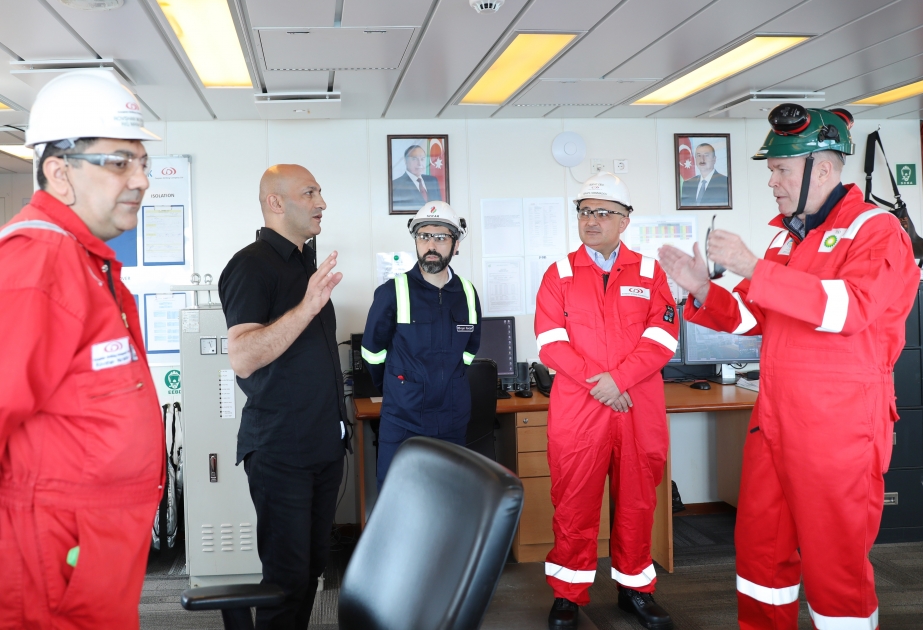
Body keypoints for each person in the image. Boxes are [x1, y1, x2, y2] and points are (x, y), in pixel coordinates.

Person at [658, 104, 919, 630]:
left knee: (834, 568)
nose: (772, 182)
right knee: (760, 556)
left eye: (782, 170)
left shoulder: (877, 230)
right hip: (774, 421)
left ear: (823, 169)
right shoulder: (786, 236)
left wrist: (753, 267)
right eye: (772, 171)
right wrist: (703, 289)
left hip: (838, 427)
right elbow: (757, 317)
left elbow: (850, 309)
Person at [0, 70, 164, 628]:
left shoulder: (85, 262)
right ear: (58, 173)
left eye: (144, 162)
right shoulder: (36, 267)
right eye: (120, 162)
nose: (141, 180)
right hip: (49, 568)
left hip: (89, 559)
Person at [534, 173, 679, 630]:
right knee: (574, 502)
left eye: (602, 212)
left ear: (625, 220)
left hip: (637, 407)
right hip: (581, 409)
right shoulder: (558, 274)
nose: (591, 220)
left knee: (637, 503)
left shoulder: (652, 273)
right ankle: (567, 595)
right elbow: (549, 342)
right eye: (584, 211)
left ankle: (635, 591)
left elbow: (662, 338)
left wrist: (618, 381)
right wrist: (601, 385)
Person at [219, 164, 349, 630]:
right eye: (309, 192)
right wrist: (307, 307)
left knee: (310, 572)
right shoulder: (251, 265)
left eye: (320, 191)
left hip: (321, 447)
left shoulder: (302, 263)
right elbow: (243, 356)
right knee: (286, 578)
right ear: (276, 202)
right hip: (281, 450)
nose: (321, 202)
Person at [361, 201, 481, 488]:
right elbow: (372, 353)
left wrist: (448, 384)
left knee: (448, 504)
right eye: (424, 236)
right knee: (398, 505)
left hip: (452, 422)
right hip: (404, 423)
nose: (431, 244)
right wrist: (400, 387)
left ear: (456, 244)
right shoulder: (392, 292)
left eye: (440, 237)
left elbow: (469, 350)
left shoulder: (467, 293)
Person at [391, 144, 442, 210]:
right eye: (414, 159)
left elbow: (439, 207)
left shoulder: (432, 181)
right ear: (405, 161)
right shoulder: (396, 185)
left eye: (422, 159)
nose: (420, 163)